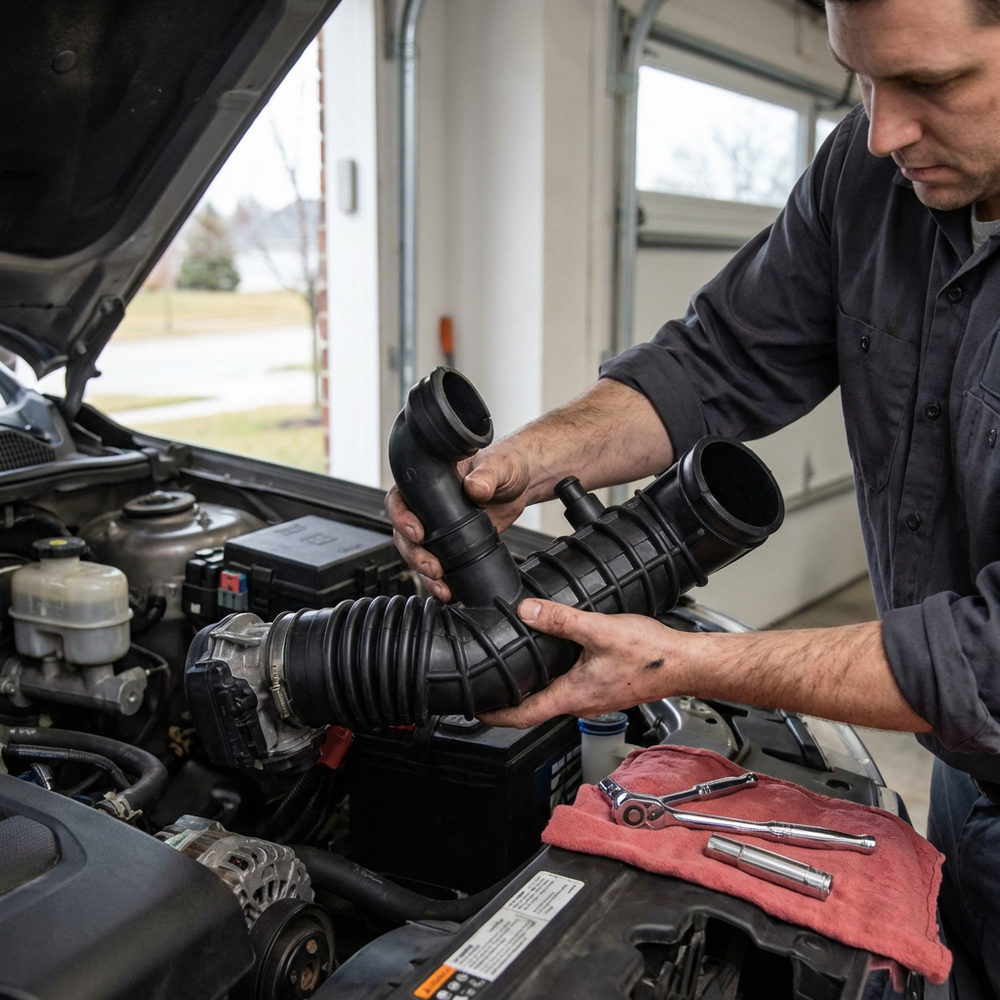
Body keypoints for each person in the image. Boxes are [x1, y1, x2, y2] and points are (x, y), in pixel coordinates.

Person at [387, 0, 1000, 993]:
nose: (884, 131)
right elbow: (718, 358)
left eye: (929, 86)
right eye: (862, 80)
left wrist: (689, 664)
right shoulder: (870, 172)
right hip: (969, 771)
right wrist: (534, 458)